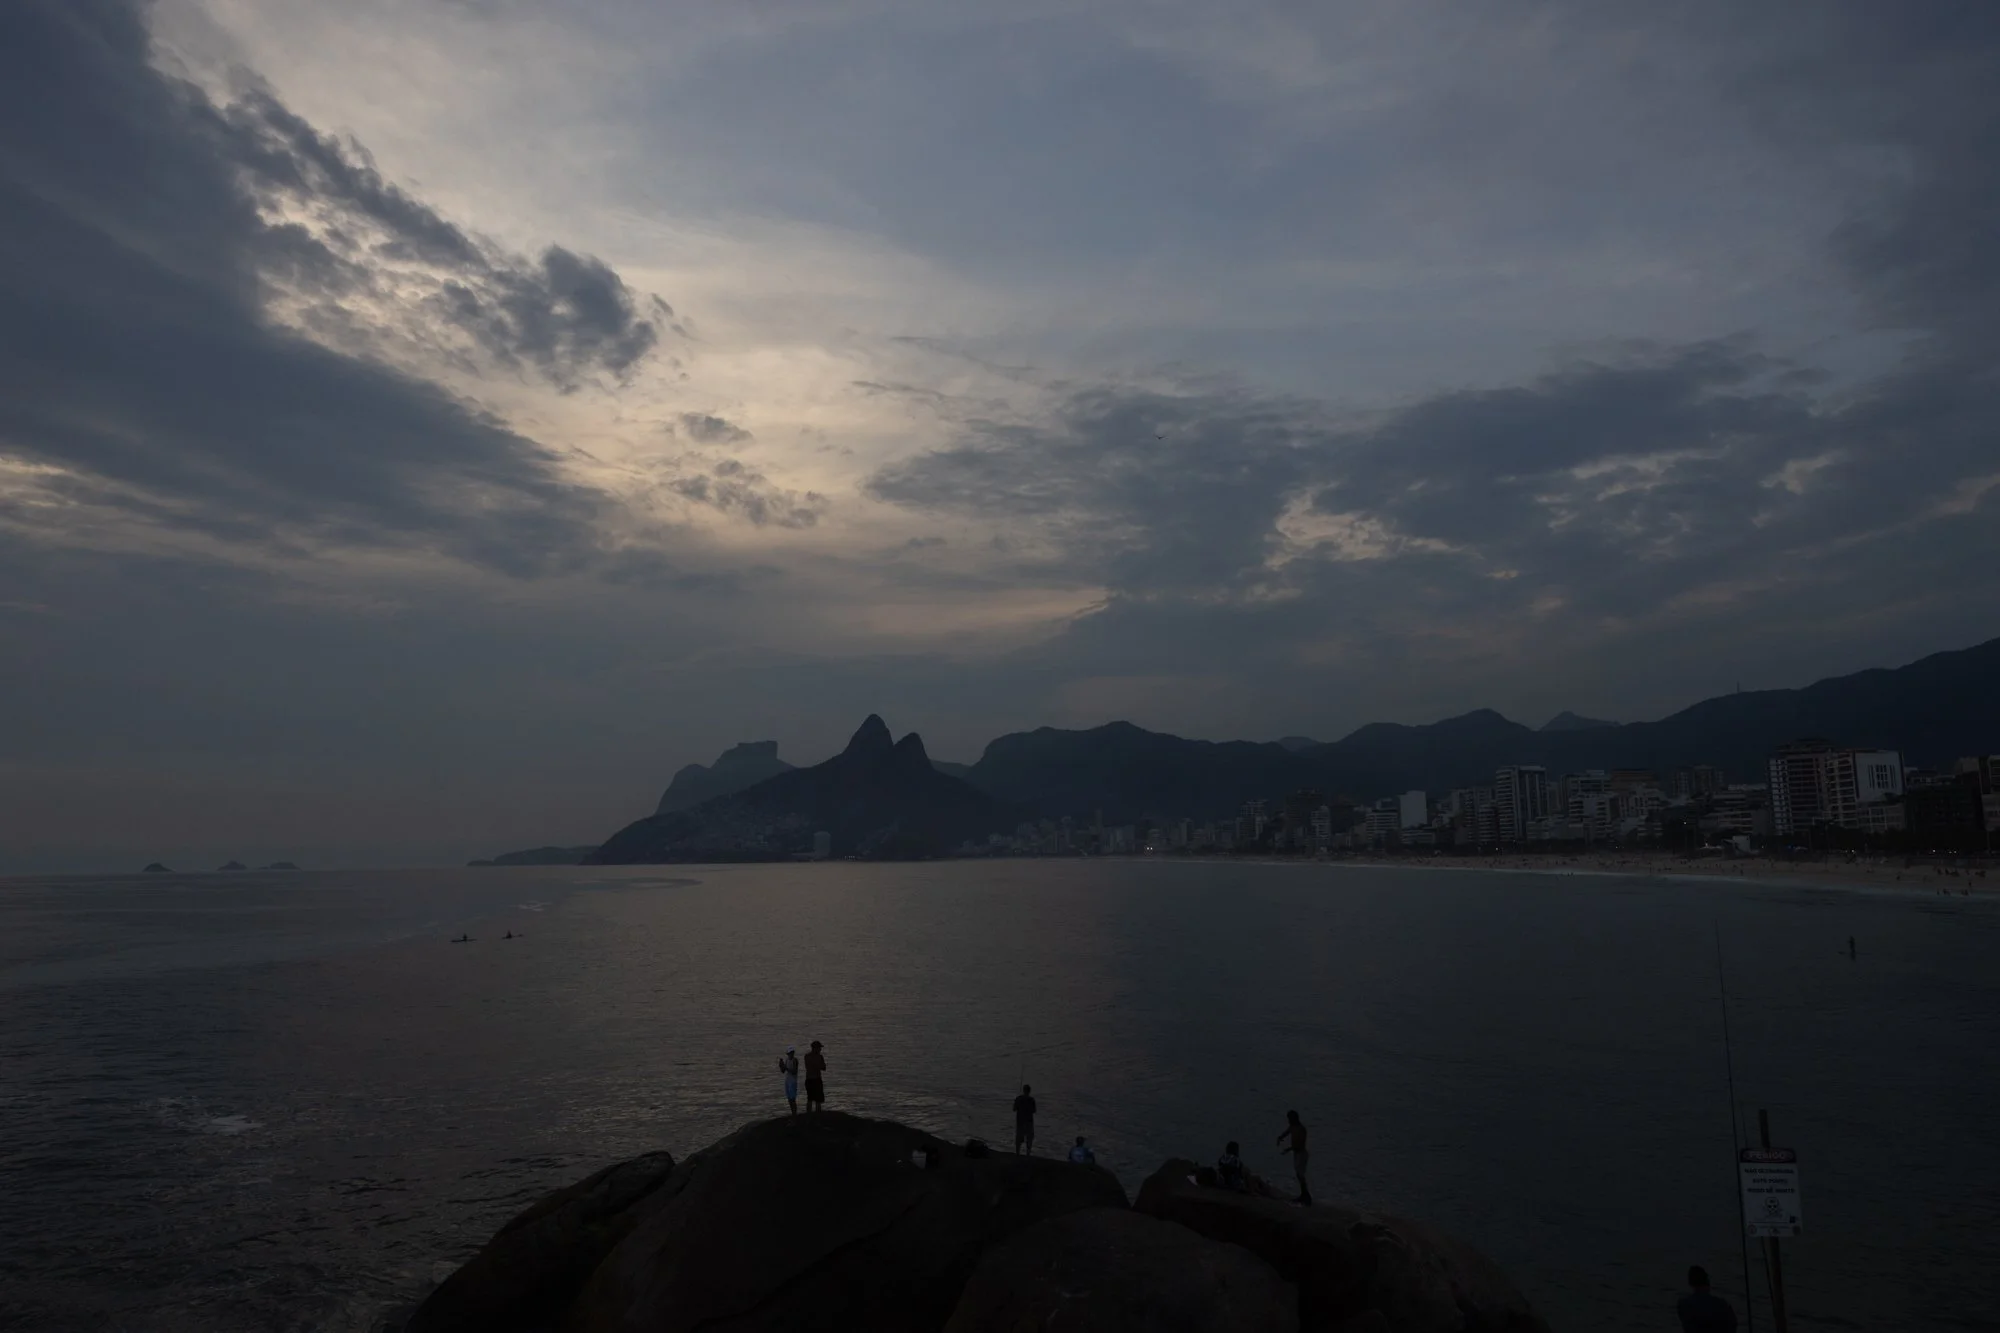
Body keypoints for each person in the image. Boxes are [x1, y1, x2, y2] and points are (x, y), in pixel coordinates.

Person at [1677, 1266, 1737, 1332]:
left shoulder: (1683, 1305)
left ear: (1690, 1283)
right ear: (1707, 1282)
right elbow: (1733, 1325)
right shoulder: (1722, 1304)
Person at [1276, 1110, 1311, 1205]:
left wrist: (1288, 1149)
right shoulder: (1293, 1127)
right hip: (1296, 1154)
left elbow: (1300, 1144)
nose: (1288, 1121)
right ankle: (1304, 1194)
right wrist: (1280, 1137)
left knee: (1300, 1175)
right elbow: (1286, 1132)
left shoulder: (1301, 1129)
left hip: (1302, 1154)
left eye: (1289, 1119)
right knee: (1299, 1175)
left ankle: (1306, 1196)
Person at [1013, 1084, 1037, 1154]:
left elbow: (1014, 1109)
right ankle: (1028, 1153)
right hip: (1029, 1122)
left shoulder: (1018, 1098)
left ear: (1023, 1090)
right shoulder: (1031, 1100)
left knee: (1019, 1138)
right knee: (1029, 1139)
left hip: (1020, 1122)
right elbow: (1034, 1111)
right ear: (1029, 1091)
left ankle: (1017, 1153)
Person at [803, 1040, 827, 1110]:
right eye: (819, 1048)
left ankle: (809, 1115)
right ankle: (817, 1115)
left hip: (809, 1080)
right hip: (816, 1079)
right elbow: (823, 1067)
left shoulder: (807, 1056)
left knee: (810, 1099)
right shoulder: (819, 1057)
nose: (820, 1049)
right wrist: (818, 1064)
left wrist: (816, 1065)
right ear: (815, 1048)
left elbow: (821, 1067)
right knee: (817, 1100)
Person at [777, 1046, 800, 1115]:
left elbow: (794, 1071)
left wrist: (785, 1067)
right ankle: (793, 1113)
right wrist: (781, 1065)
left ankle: (794, 1114)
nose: (791, 1054)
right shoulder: (787, 1060)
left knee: (793, 1099)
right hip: (788, 1081)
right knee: (789, 1099)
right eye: (790, 1053)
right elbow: (783, 1071)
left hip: (792, 1082)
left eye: (792, 1053)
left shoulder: (795, 1060)